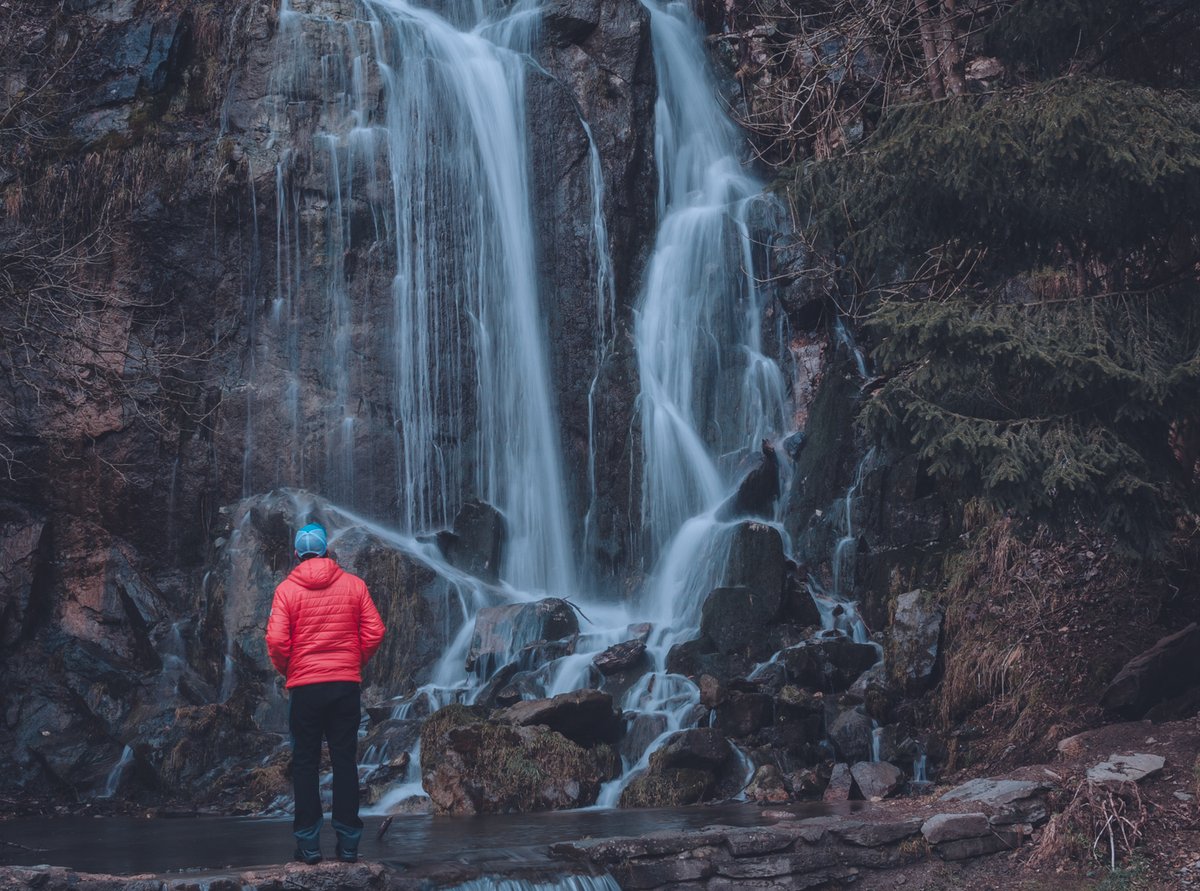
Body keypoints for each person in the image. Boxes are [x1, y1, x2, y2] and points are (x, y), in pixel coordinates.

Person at [265, 522, 386, 864]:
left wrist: (289, 669)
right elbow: (376, 631)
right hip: (344, 686)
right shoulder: (354, 585)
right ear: (327, 551)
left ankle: (309, 845)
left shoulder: (286, 591)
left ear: (297, 555)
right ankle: (349, 845)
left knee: (305, 764)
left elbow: (275, 641)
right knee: (345, 761)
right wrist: (354, 659)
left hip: (305, 687)